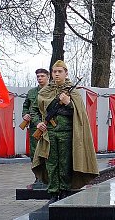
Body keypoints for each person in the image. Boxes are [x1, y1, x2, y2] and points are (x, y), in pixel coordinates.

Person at [32, 60, 98, 201]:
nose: (56, 74)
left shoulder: (72, 92)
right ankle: (53, 192)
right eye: (54, 71)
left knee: (65, 163)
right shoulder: (45, 91)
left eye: (59, 71)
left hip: (67, 133)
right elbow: (35, 110)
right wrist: (38, 123)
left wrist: (68, 103)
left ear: (66, 73)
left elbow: (80, 113)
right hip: (49, 134)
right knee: (51, 163)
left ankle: (64, 191)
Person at [22, 68, 50, 186]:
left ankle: (48, 177)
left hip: (49, 126)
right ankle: (38, 177)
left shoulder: (52, 91)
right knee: (34, 153)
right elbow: (26, 106)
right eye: (38, 76)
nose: (40, 78)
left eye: (42, 76)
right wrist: (25, 115)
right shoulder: (32, 92)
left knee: (48, 152)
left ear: (48, 77)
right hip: (35, 126)